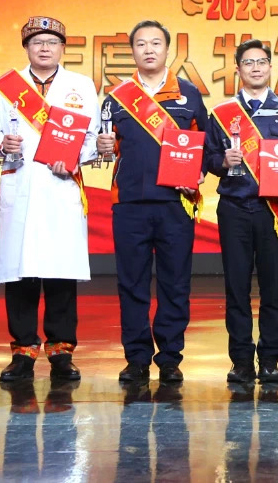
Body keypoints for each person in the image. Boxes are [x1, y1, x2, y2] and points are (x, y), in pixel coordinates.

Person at [0, 16, 100, 382]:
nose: (44, 48)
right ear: (26, 48)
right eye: (37, 42)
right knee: (22, 272)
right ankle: (23, 351)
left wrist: (75, 158)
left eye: (51, 42)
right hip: (22, 185)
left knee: (60, 270)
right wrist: (2, 143)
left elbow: (93, 137)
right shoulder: (6, 88)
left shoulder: (81, 86)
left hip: (61, 186)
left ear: (63, 48)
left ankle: (61, 351)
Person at [96, 20, 209, 385]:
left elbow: (204, 145)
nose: (149, 49)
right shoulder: (116, 97)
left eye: (156, 43)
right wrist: (101, 146)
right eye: (141, 44)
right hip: (129, 204)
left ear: (167, 50)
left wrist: (200, 170)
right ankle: (137, 358)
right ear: (132, 51)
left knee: (175, 283)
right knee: (132, 284)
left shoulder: (189, 94)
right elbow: (104, 146)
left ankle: (171, 357)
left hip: (175, 204)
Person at [204, 38, 278, 384]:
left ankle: (271, 359)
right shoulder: (221, 113)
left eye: (261, 62)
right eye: (248, 62)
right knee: (237, 289)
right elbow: (207, 160)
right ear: (238, 69)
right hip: (234, 208)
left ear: (270, 67)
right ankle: (241, 360)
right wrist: (222, 161)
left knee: (273, 290)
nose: (256, 68)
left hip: (273, 211)